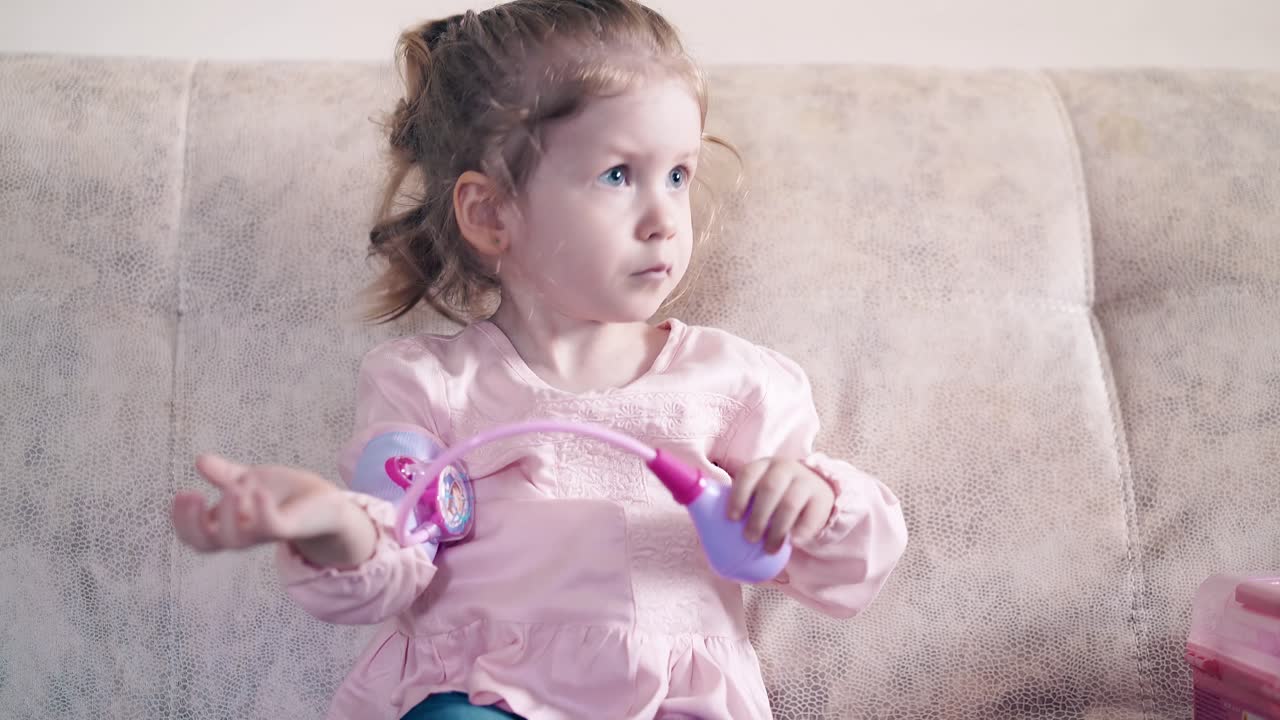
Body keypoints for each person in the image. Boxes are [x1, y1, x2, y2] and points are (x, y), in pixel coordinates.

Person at [170, 2, 908, 718]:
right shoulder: (430, 388)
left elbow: (850, 573)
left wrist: (811, 501)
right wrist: (329, 523)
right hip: (483, 692)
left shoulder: (735, 385)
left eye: (678, 175)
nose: (663, 220)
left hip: (674, 701)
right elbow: (386, 572)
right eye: (619, 175)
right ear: (491, 214)